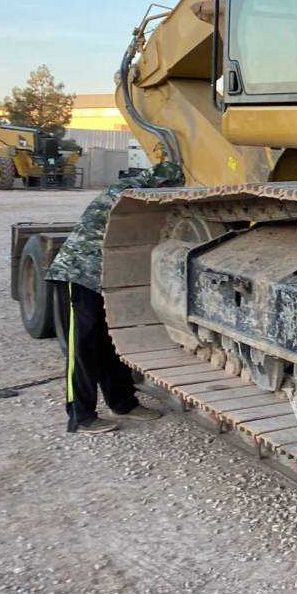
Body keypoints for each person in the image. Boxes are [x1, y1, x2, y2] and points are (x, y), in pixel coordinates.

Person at [47, 161, 184, 434]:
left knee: (113, 341)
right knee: (83, 348)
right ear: (159, 184)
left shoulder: (141, 198)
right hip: (80, 274)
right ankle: (80, 415)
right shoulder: (125, 196)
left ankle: (122, 403)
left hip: (109, 279)